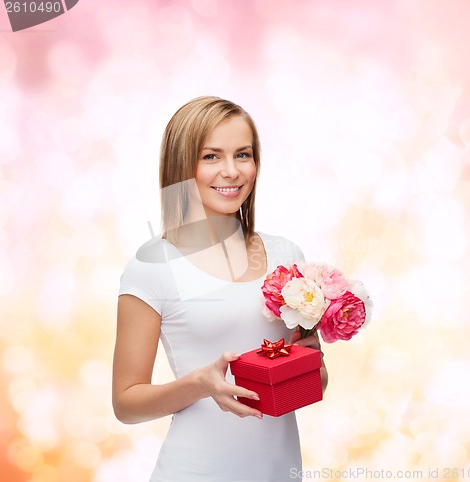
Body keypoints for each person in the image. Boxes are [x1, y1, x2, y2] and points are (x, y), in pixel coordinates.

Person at [112, 96, 328, 481]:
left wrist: (311, 364)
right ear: (182, 166)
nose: (231, 171)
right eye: (211, 156)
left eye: (242, 154)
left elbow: (317, 382)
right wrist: (198, 384)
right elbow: (126, 404)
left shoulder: (285, 254)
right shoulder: (152, 266)